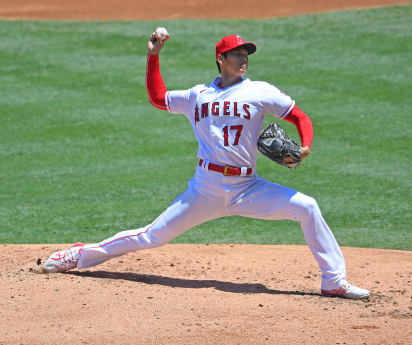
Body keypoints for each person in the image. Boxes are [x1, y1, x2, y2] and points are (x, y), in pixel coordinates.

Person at [42, 30, 370, 299]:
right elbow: (158, 98)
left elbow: (299, 116)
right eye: (237, 54)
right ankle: (80, 255)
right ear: (220, 59)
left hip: (248, 187)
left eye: (246, 54)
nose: (243, 59)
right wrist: (153, 55)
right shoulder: (198, 95)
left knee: (307, 207)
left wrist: (307, 143)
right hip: (204, 189)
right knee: (151, 236)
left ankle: (333, 281)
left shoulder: (260, 91)